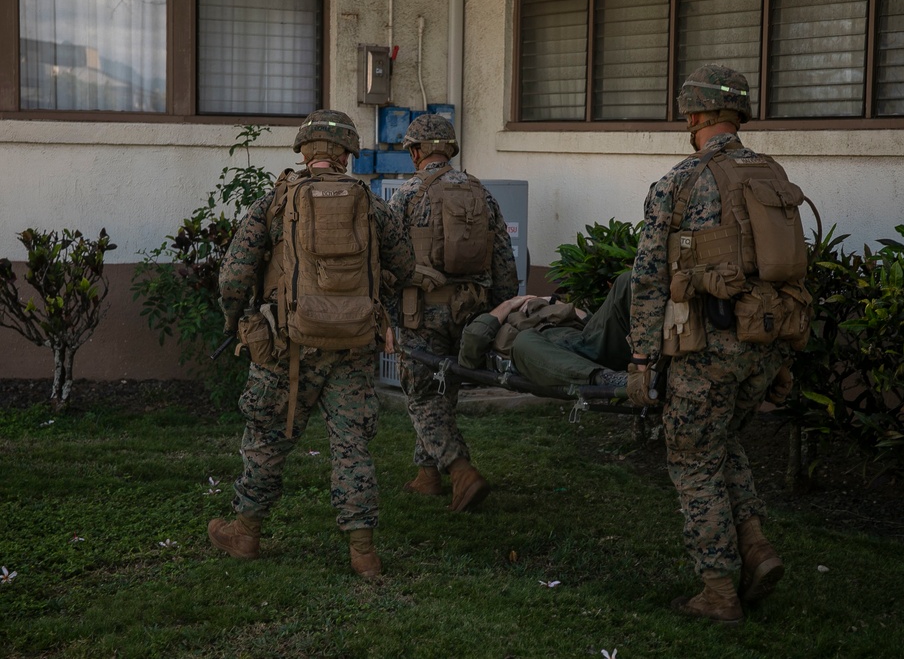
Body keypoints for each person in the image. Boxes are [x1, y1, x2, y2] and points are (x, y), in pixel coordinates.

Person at [208, 109, 415, 578]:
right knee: (352, 447)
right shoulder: (374, 206)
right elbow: (405, 267)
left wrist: (234, 321)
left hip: (288, 348)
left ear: (305, 151)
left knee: (266, 440)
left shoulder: (274, 204)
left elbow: (234, 276)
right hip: (354, 348)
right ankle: (364, 553)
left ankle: (245, 534)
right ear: (346, 153)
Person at [629, 64, 799, 624]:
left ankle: (718, 591)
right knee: (722, 443)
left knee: (693, 461)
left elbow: (650, 279)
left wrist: (641, 360)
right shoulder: (773, 175)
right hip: (765, 342)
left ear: (695, 115)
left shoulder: (680, 181)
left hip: (706, 351)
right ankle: (756, 547)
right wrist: (781, 361)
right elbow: (791, 271)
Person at [388, 113, 519, 512]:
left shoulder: (406, 196)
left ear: (415, 152)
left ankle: (461, 472)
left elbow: (389, 262)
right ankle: (428, 475)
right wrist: (499, 311)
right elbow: (504, 263)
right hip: (472, 311)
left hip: (421, 311)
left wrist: (388, 316)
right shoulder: (481, 193)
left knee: (423, 394)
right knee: (444, 390)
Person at [458, 271, 633, 389]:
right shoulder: (492, 326)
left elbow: (590, 321)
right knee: (523, 340)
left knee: (627, 279)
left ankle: (654, 359)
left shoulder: (533, 306)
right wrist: (508, 304)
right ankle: (604, 377)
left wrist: (552, 301)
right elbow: (471, 350)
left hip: (583, 343)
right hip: (546, 355)